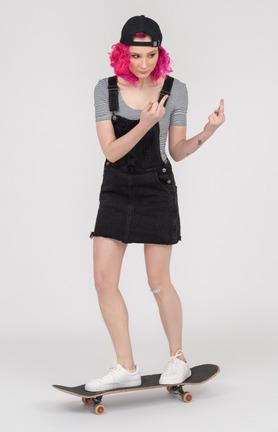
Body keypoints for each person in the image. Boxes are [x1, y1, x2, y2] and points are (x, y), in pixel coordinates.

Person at [85, 15, 225, 392]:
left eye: (151, 54)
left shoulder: (175, 90)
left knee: (158, 281)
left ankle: (177, 358)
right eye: (135, 55)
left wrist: (207, 132)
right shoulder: (105, 90)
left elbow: (176, 152)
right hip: (116, 189)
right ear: (122, 53)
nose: (143, 63)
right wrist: (145, 124)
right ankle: (125, 365)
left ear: (159, 52)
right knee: (103, 281)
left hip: (156, 187)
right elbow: (112, 152)